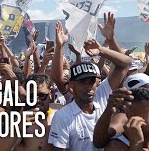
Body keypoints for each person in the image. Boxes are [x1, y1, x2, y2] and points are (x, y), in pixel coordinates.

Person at [48, 21, 132, 151]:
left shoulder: (102, 95)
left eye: (92, 81)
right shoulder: (63, 116)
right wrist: (59, 47)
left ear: (98, 82)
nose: (88, 87)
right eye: (82, 82)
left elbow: (125, 64)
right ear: (71, 86)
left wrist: (104, 48)